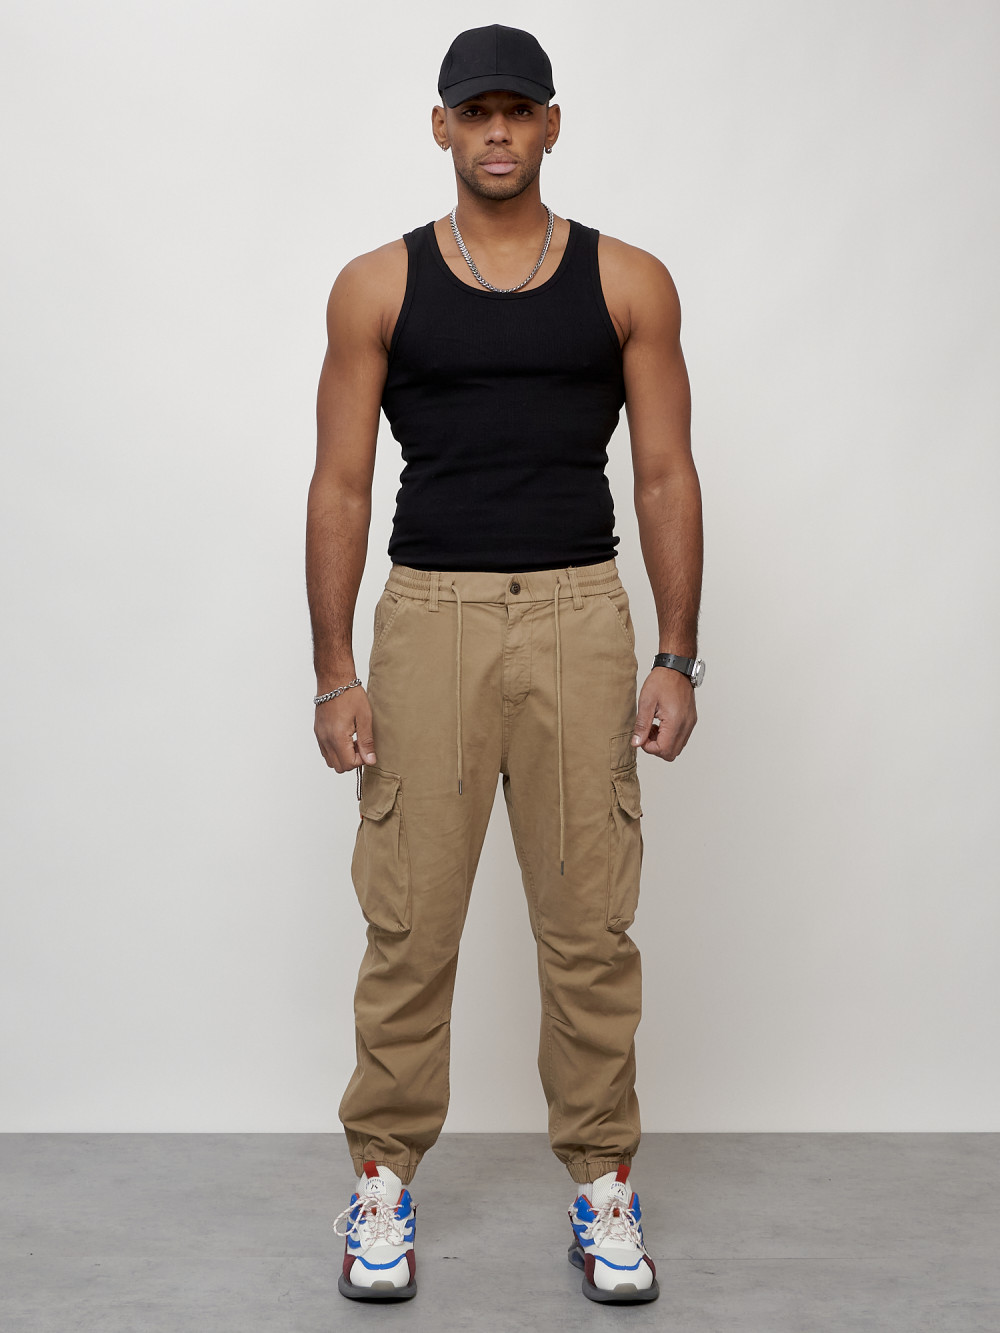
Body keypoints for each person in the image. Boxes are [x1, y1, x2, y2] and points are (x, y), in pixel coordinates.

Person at [305, 23, 705, 1306]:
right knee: (409, 922)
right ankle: (381, 1185)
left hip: (582, 615)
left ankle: (602, 1189)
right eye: (473, 111)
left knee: (588, 925)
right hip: (429, 619)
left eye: (516, 111)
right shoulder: (376, 285)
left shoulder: (627, 281)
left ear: (549, 125)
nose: (495, 131)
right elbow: (340, 483)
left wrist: (677, 653)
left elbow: (663, 473)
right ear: (441, 126)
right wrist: (334, 669)